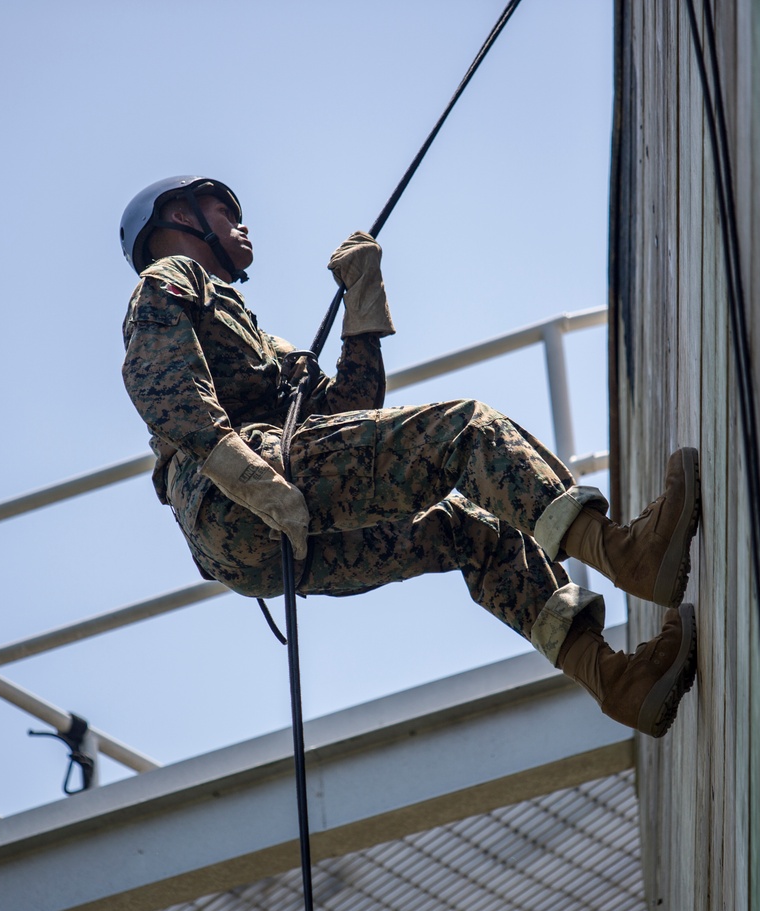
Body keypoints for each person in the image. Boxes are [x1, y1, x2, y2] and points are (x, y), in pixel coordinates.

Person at [119, 176, 701, 738]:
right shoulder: (171, 277)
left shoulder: (259, 340)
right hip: (239, 494)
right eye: (223, 209)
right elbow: (163, 389)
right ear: (180, 216)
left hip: (257, 546)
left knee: (472, 531)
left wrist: (362, 301)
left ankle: (617, 681)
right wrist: (249, 479)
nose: (241, 223)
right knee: (465, 432)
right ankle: (628, 554)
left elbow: (352, 412)